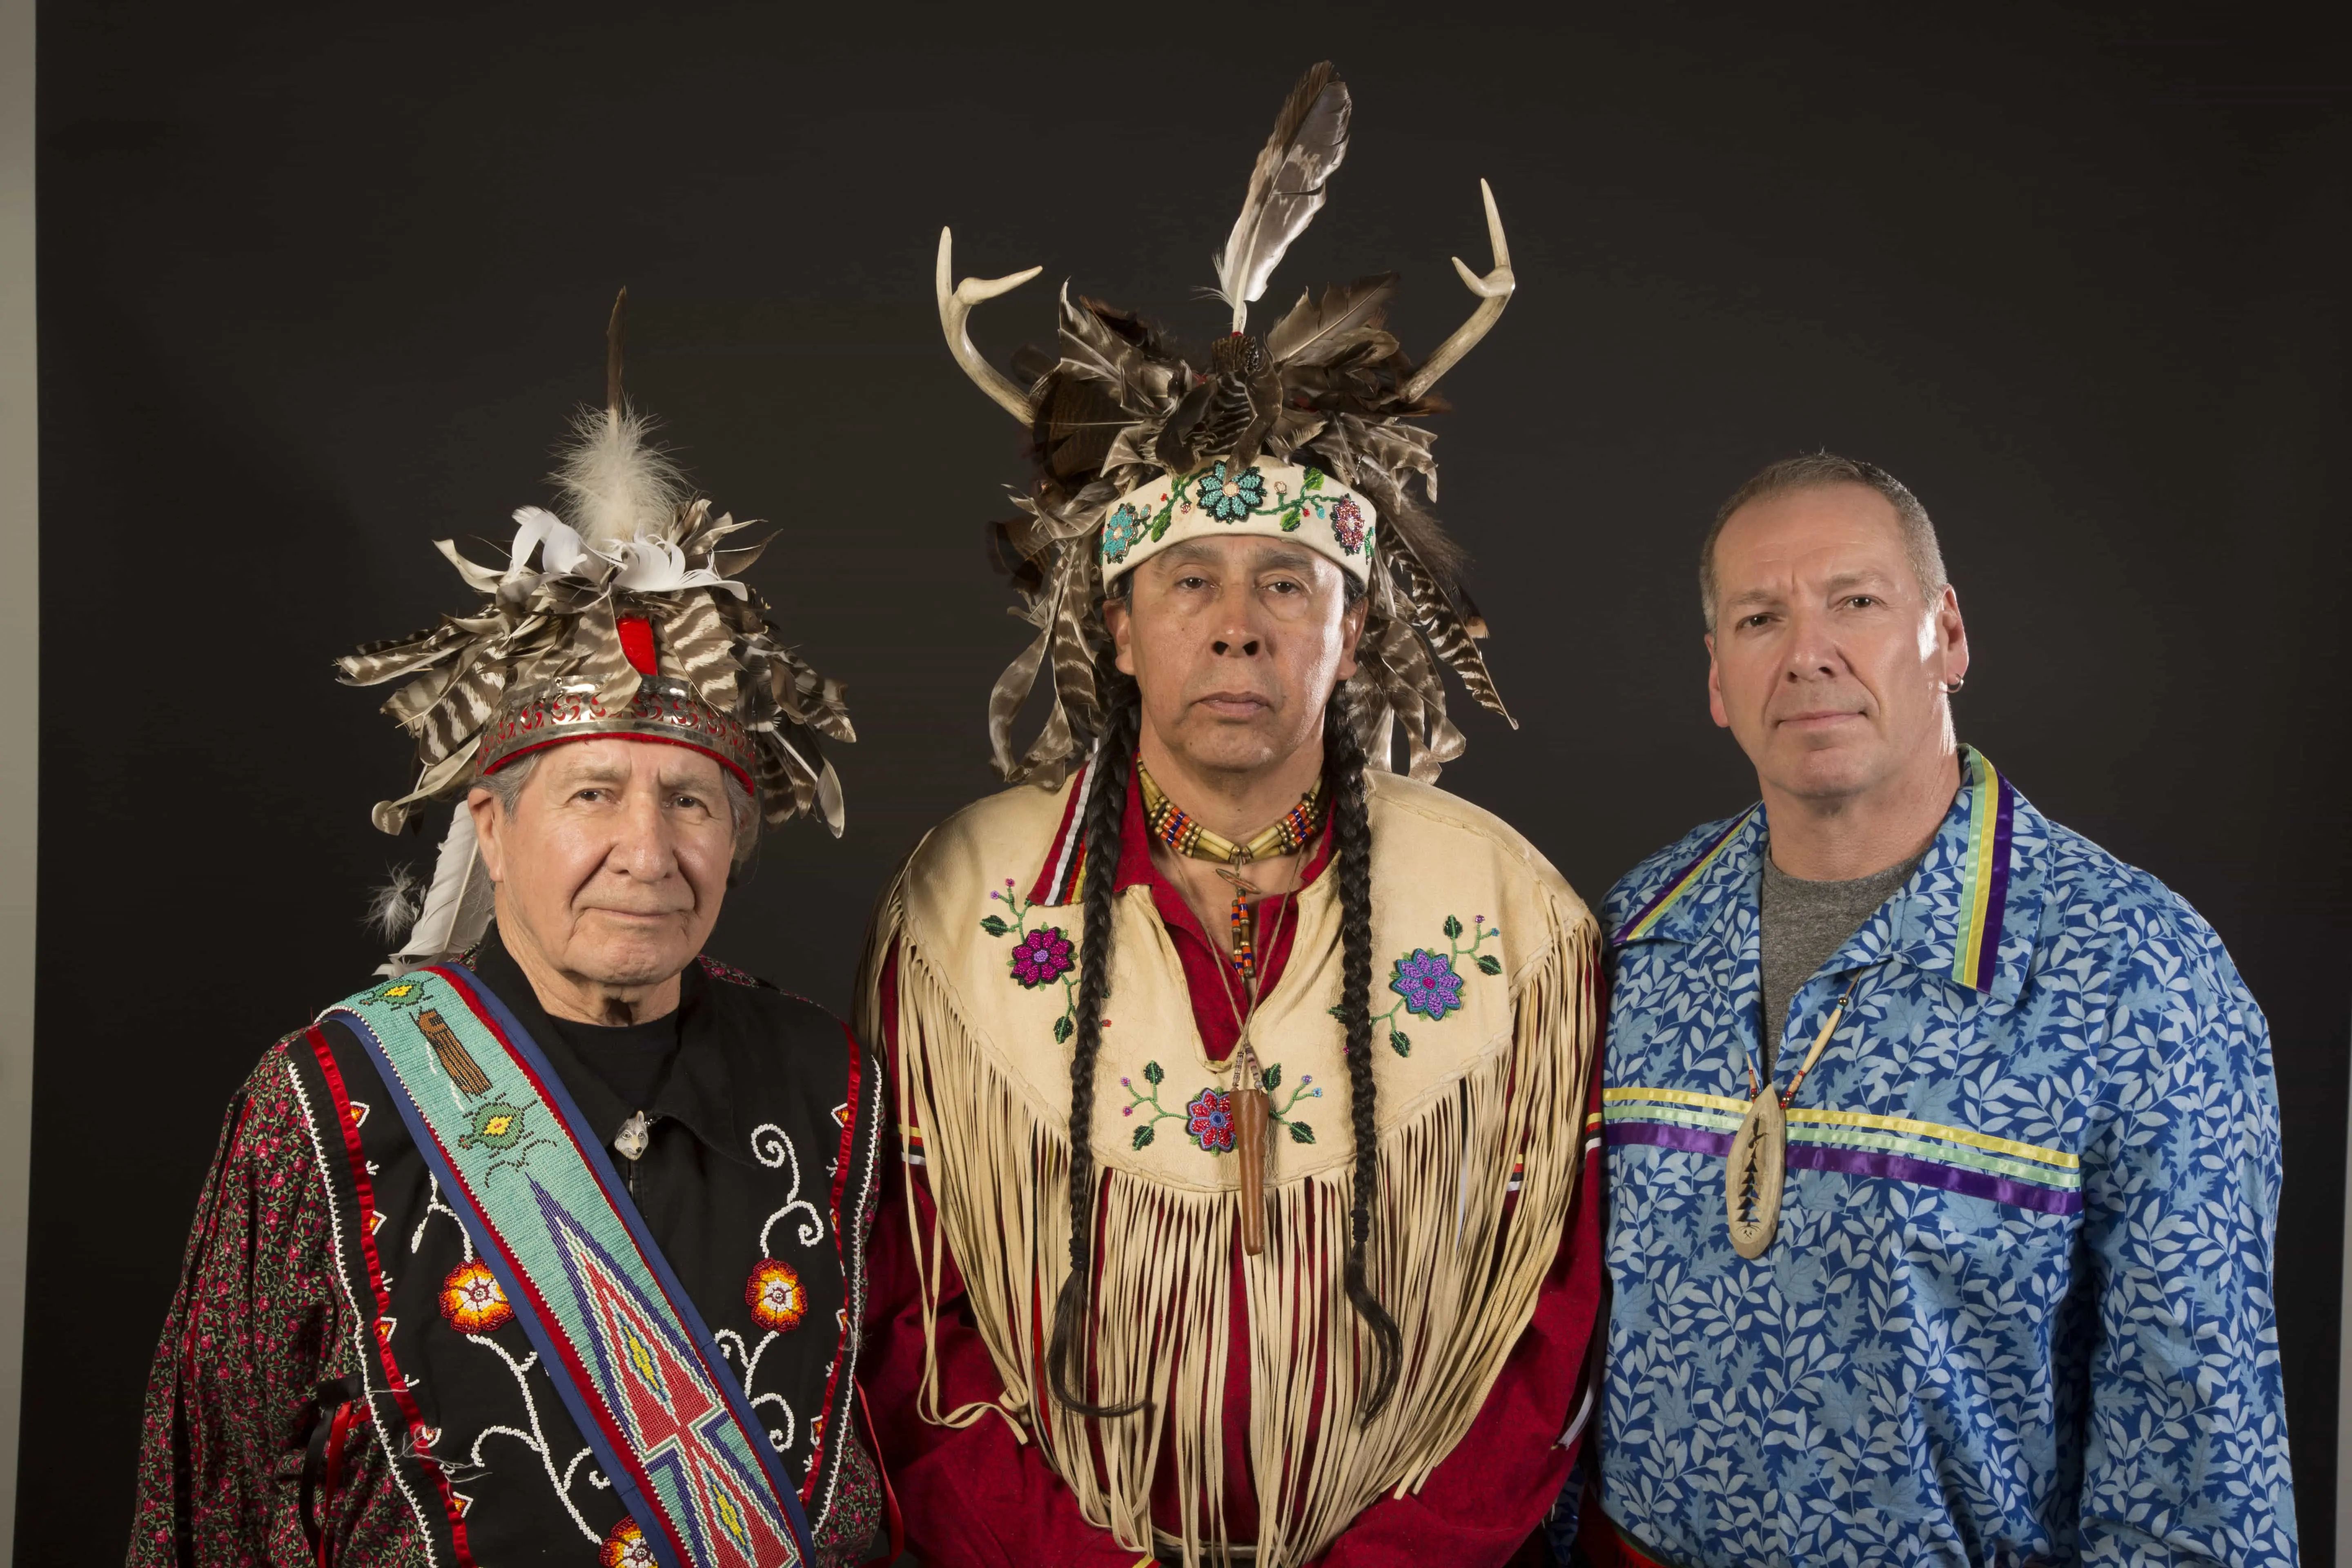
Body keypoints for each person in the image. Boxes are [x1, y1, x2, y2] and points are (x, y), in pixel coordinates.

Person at [860, 62, 1606, 1568]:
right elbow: (909, 1319)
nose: (1240, 626)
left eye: (1289, 584)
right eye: (1188, 581)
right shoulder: (968, 899)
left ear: (1354, 632)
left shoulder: (1507, 912)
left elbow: (1549, 1321)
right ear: (1118, 632)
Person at [128, 297, 889, 1567]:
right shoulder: (323, 1107)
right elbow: (216, 1506)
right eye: (593, 793)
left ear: (737, 835)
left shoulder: (834, 1091)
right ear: (489, 825)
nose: (647, 853)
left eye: (691, 801)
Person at [1584, 453, 2298, 1566]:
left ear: (1947, 635)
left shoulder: (2139, 978)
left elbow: (2196, 1468)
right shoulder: (1630, 936)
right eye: (1761, 617)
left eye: (1857, 602)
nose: (1809, 653)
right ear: (1719, 677)